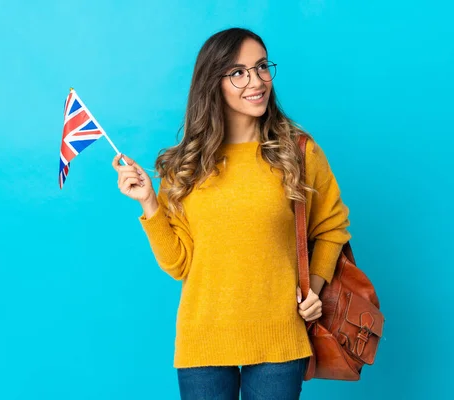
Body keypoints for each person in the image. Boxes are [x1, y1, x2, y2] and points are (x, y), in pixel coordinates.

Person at [112, 27, 351, 400]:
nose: (256, 81)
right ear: (213, 83)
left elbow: (332, 226)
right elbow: (179, 263)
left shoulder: (298, 152)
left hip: (279, 338)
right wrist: (149, 202)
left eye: (261, 67)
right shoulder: (183, 166)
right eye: (238, 72)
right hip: (203, 339)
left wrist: (312, 291)